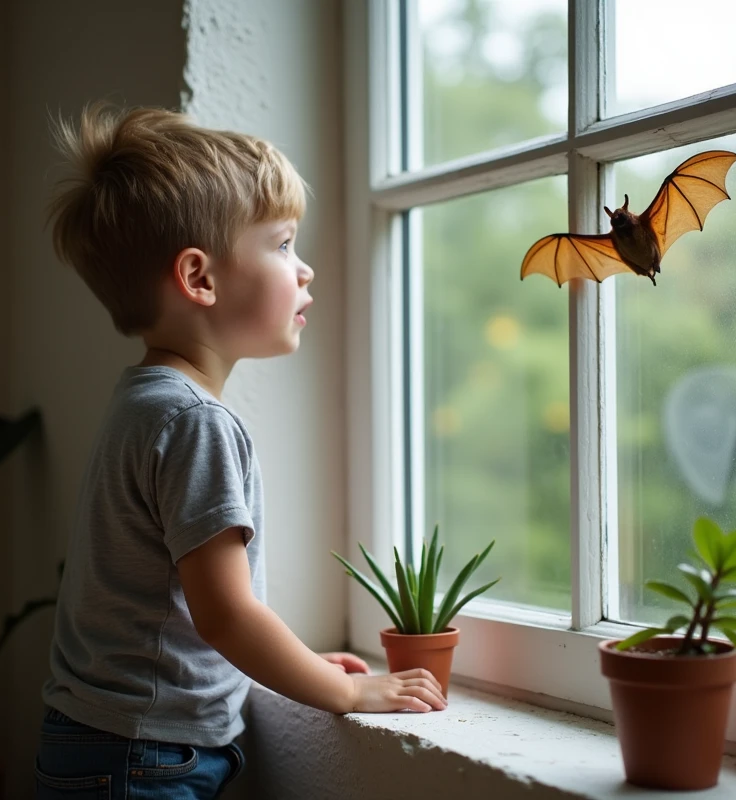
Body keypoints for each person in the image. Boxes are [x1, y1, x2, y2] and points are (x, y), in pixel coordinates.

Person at [34, 103, 446, 800]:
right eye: (283, 245)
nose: (305, 269)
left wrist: (303, 663)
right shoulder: (195, 421)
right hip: (145, 757)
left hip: (98, 740)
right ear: (200, 279)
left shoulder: (142, 401)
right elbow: (225, 612)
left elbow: (170, 609)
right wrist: (342, 693)